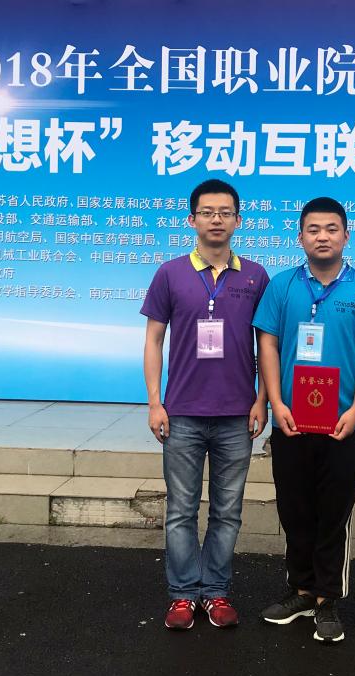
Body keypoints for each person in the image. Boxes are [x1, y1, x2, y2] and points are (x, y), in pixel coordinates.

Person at [253, 197, 355, 644]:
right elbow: (267, 344)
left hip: (342, 424)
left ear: (346, 235)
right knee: (294, 510)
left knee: (334, 514)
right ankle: (301, 592)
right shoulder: (282, 286)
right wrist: (277, 403)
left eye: (331, 228)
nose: (322, 236)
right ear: (300, 237)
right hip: (291, 421)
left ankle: (328, 598)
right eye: (313, 229)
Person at [141, 178, 269, 630]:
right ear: (192, 219)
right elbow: (153, 340)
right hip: (182, 413)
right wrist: (155, 402)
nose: (217, 219)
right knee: (180, 510)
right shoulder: (170, 273)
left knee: (227, 512)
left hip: (237, 415)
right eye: (208, 212)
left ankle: (215, 591)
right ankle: (182, 596)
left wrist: (262, 399)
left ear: (238, 220)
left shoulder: (255, 276)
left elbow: (266, 344)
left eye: (225, 212)